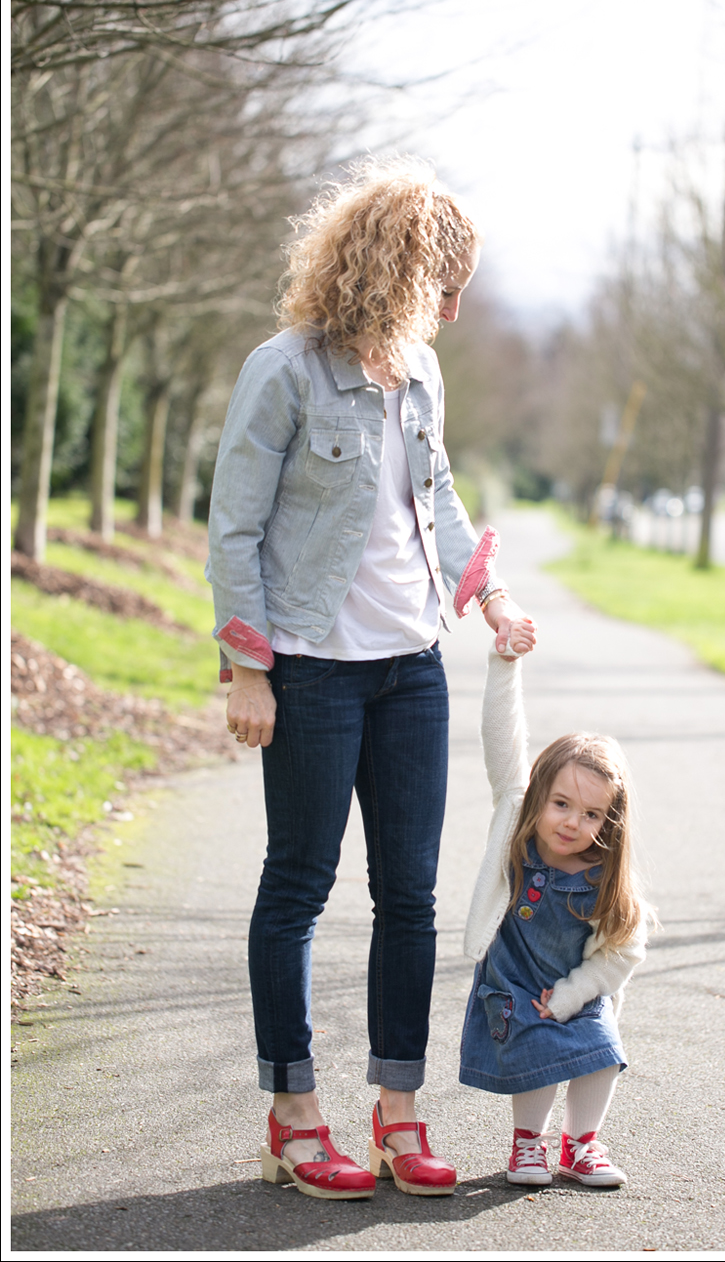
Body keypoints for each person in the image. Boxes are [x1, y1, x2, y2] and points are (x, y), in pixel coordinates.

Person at [206, 156, 537, 1201]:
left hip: (411, 671)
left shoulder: (421, 374)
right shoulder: (287, 369)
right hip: (309, 671)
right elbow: (235, 528)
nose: (453, 307)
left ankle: (399, 1110)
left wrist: (491, 600)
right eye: (444, 284)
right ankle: (295, 1113)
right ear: (396, 269)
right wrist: (245, 670)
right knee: (298, 887)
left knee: (411, 897)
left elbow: (434, 495)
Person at [459, 645, 651, 1187]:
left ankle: (581, 1145)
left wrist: (576, 993)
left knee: (601, 1052)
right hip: (513, 982)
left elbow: (624, 951)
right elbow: (502, 737)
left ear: (608, 822)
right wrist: (505, 664)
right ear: (539, 793)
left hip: (576, 985)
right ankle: (528, 1145)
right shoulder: (515, 822)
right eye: (561, 803)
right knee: (537, 1044)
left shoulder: (604, 876)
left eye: (591, 814)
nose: (571, 822)